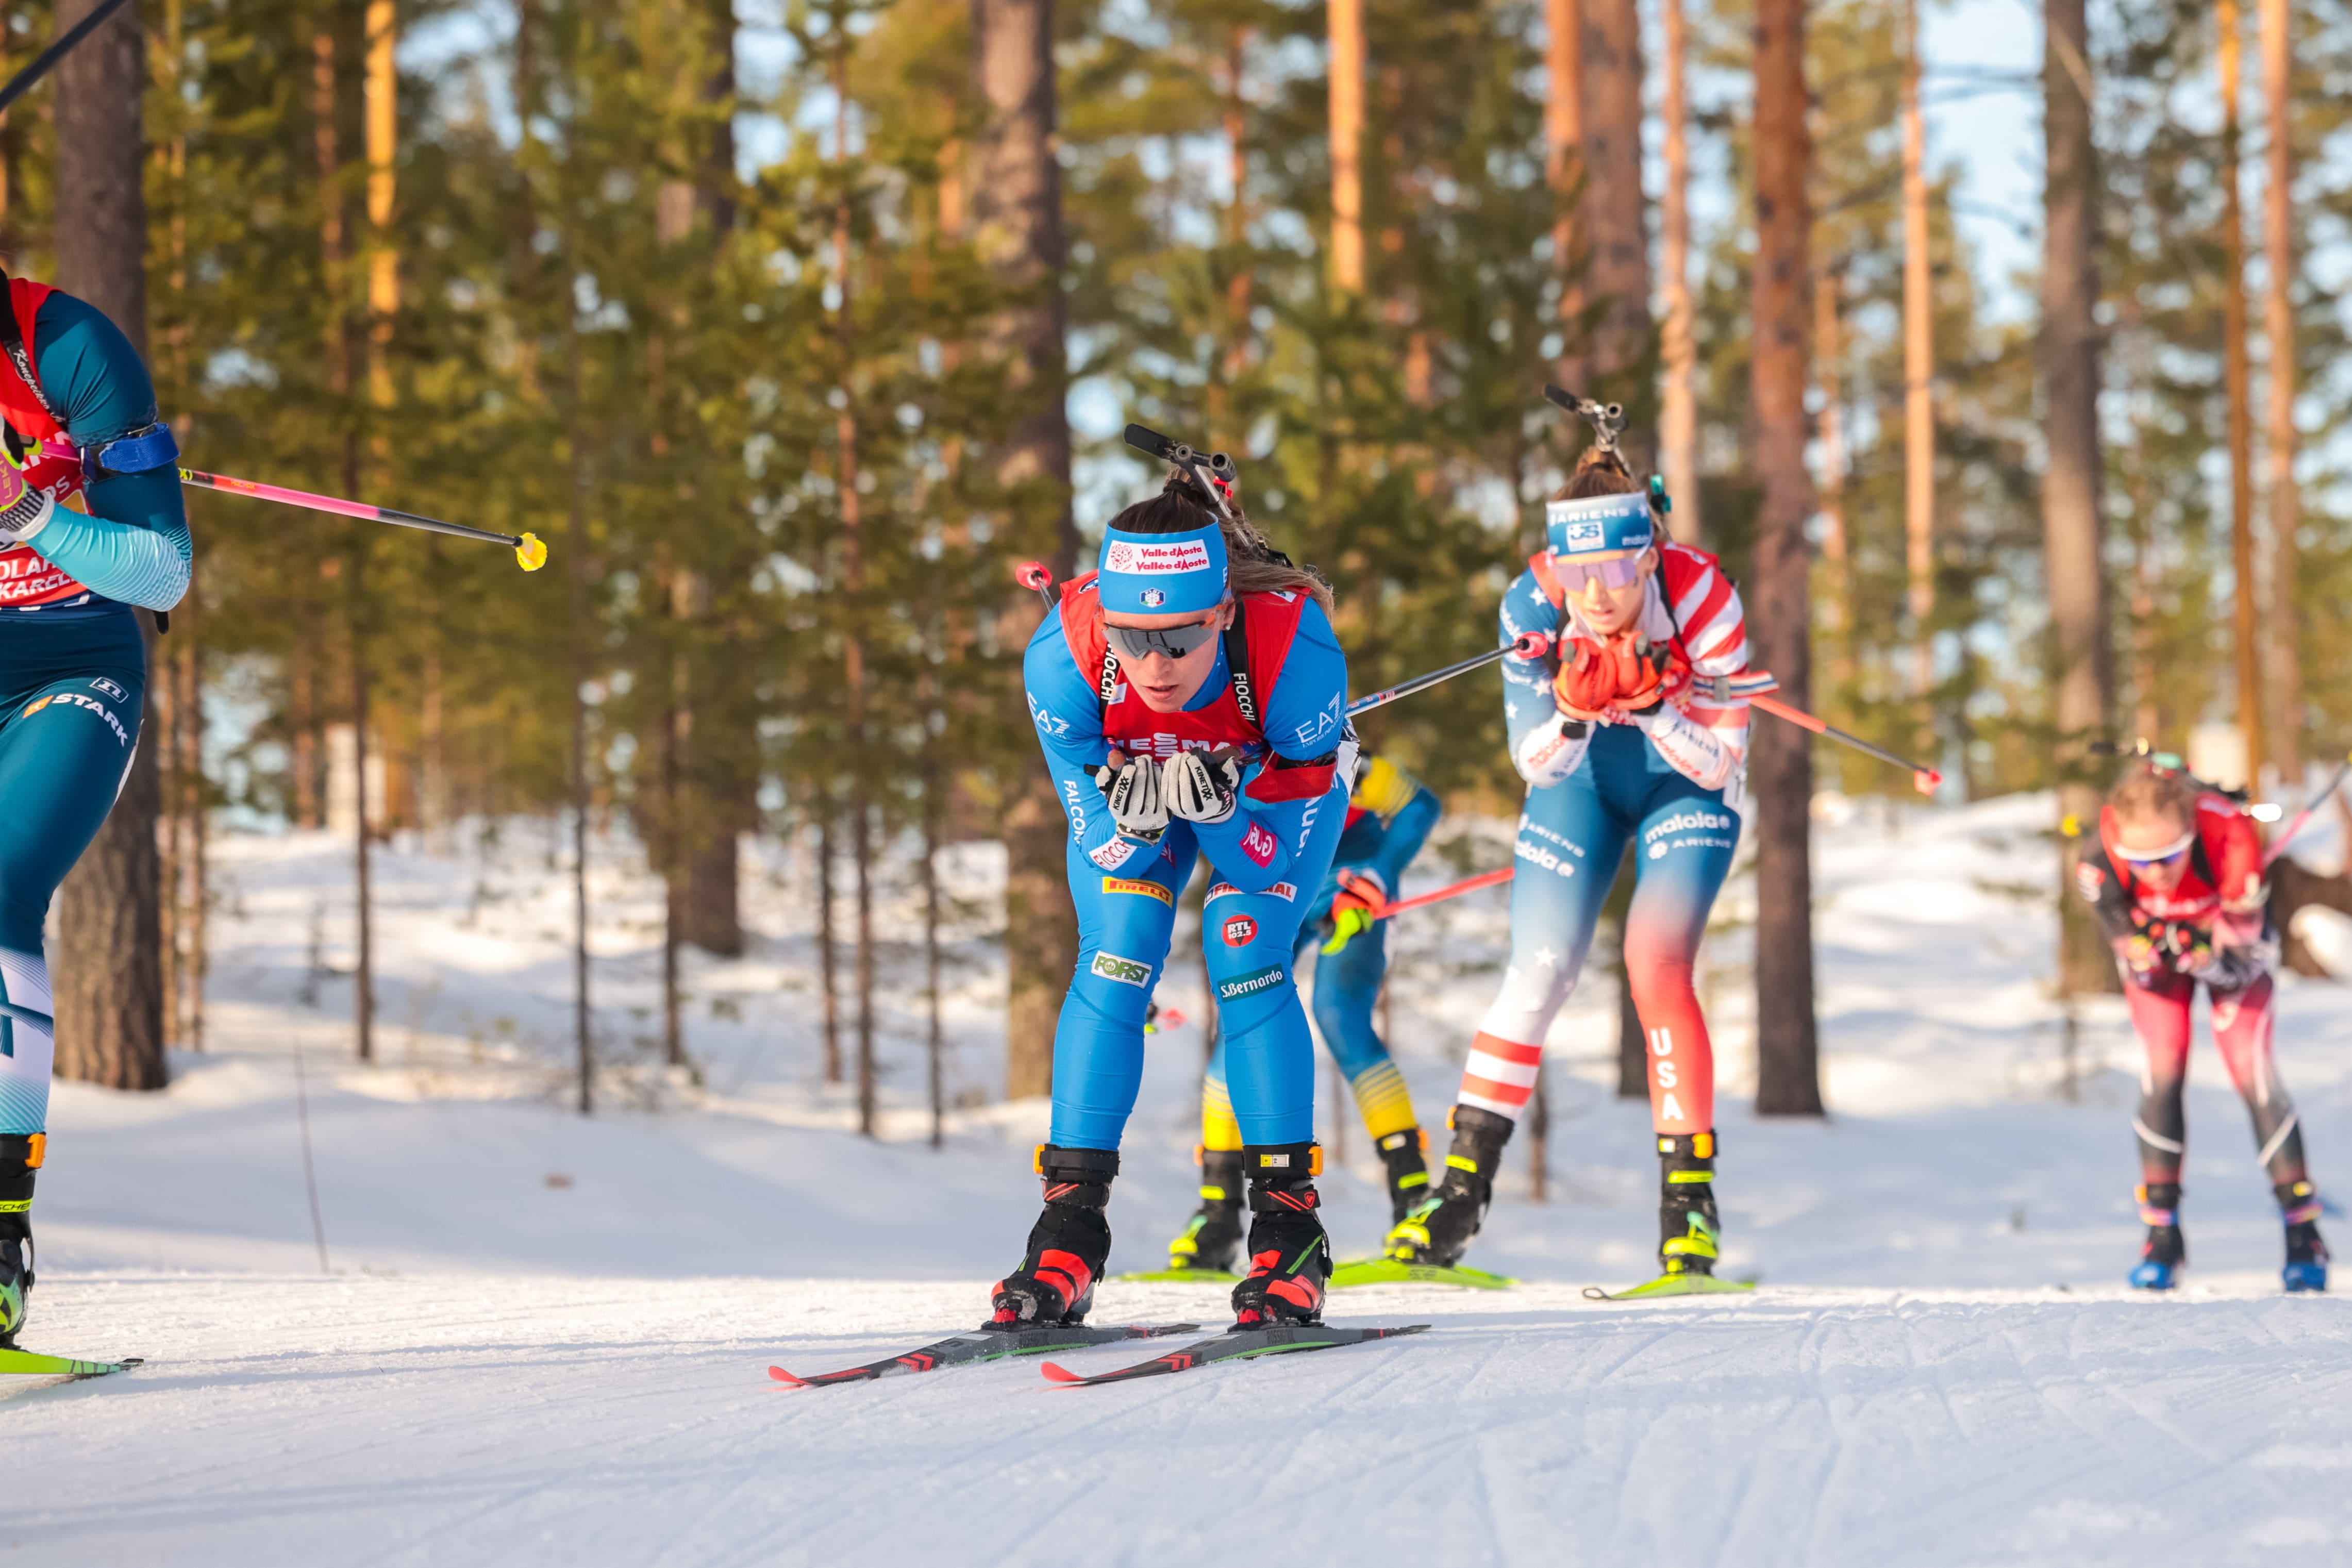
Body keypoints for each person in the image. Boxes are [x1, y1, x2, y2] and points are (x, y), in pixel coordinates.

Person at [1382, 441, 1750, 1291]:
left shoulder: (1701, 595)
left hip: (1682, 784)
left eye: (1614, 571)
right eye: (1575, 572)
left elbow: (1721, 764)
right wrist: (1575, 713)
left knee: (1654, 963)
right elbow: (1533, 762)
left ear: (1647, 557)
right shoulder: (1532, 603)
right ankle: (1457, 1198)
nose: (1594, 594)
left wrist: (1654, 709)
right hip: (1578, 783)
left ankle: (1688, 1212)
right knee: (1539, 967)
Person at [1002, 460, 1352, 1329]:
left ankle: (1288, 1232)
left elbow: (1271, 857)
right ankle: (1067, 1231)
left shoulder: (1293, 650)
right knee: (1117, 947)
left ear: (1223, 611)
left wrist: (1225, 811)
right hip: (1145, 795)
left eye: (1182, 637)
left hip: (1263, 798)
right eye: (1131, 638)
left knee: (1244, 943)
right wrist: (1133, 822)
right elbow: (1098, 835)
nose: (1153, 666)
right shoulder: (1063, 655)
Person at [0, 271, 193, 1351]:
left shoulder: (65, 346)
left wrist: (27, 511)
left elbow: (160, 574)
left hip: (70, 663)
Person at [1166, 752, 1441, 1274]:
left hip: (1347, 884)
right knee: (1240, 1022)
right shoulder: (1217, 752)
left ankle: (1413, 1194)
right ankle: (1218, 1212)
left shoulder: (1332, 754)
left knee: (1339, 1014)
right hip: (1264, 881)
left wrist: (1378, 875)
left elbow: (1418, 806)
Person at [2075, 758, 2328, 1292]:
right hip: (2162, 954)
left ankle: (2302, 1233)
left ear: (2191, 830)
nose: (2155, 873)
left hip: (2229, 948)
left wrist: (2202, 955)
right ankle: (2161, 1237)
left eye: (2169, 855)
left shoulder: (2231, 840)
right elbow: (2124, 936)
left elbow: (2241, 966)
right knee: (2162, 1070)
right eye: (2140, 861)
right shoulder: (2098, 858)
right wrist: (2151, 948)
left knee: (2254, 1074)